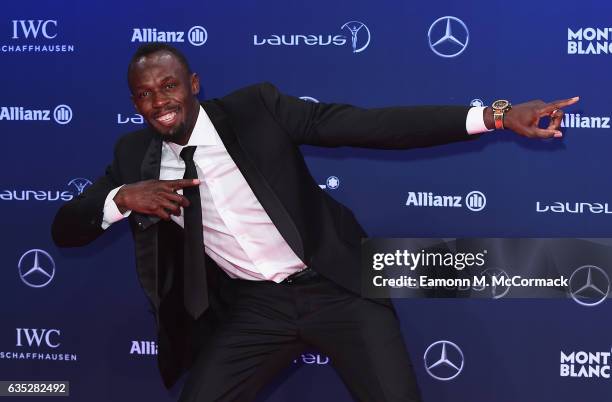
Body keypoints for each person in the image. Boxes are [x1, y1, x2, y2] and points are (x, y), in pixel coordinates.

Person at [51, 43, 578, 402]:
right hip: (254, 308)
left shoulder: (257, 109)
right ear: (134, 102)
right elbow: (66, 229)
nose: (159, 103)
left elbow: (372, 126)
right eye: (144, 95)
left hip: (337, 285)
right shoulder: (133, 154)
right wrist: (123, 197)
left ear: (192, 83)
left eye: (168, 87)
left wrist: (494, 115)